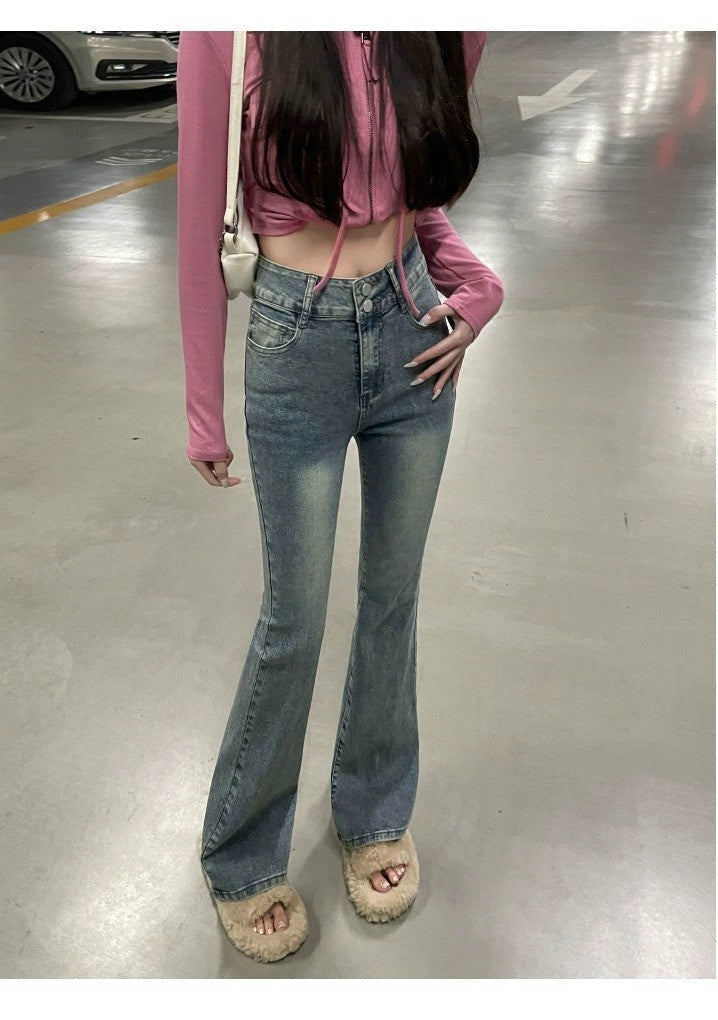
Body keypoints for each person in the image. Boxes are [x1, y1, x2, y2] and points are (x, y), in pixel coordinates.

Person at [176, 30, 504, 963]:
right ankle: (241, 852)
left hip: (411, 329)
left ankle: (375, 810)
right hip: (295, 339)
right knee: (295, 619)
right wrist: (204, 407)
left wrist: (477, 288)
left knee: (394, 598)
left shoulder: (445, 27)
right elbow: (199, 224)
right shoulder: (227, 30)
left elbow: (417, 198)